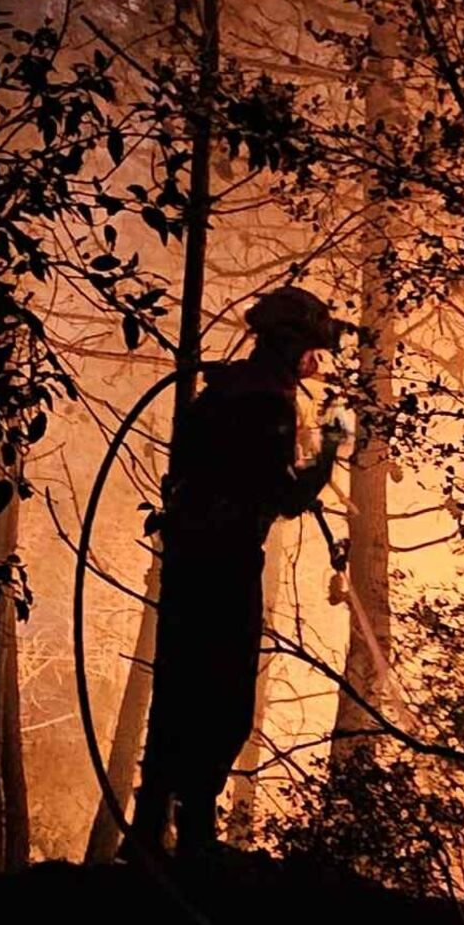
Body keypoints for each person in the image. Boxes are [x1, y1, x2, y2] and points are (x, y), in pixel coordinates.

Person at [133, 286, 349, 855]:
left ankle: (151, 826)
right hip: (225, 562)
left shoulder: (220, 393)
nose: (315, 363)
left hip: (188, 557)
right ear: (289, 344)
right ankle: (195, 833)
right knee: (224, 700)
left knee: (178, 688)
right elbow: (285, 495)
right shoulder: (265, 403)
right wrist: (331, 445)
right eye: (311, 350)